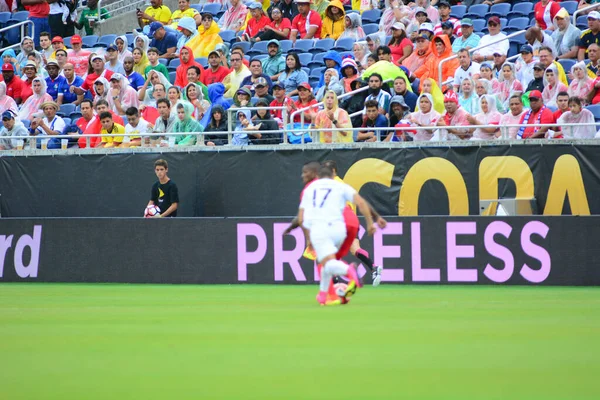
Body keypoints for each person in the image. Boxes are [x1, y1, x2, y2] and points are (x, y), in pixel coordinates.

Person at [296, 164, 374, 305]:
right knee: (326, 261)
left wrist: (308, 238)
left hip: (322, 228)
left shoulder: (310, 189)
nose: (303, 175)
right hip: (341, 228)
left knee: (326, 262)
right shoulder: (340, 185)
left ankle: (349, 271)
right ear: (333, 175)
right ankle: (324, 295)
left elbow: (302, 217)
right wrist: (370, 223)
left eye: (305, 172)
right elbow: (361, 202)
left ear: (317, 175)